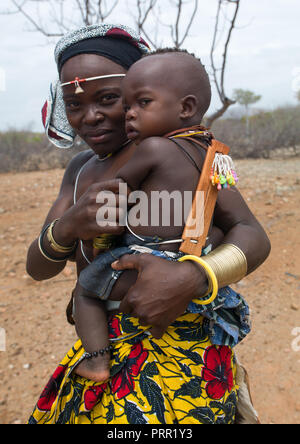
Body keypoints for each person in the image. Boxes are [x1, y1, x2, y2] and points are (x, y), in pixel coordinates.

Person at [27, 24, 270, 424]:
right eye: (74, 105)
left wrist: (192, 278)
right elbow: (38, 268)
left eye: (110, 99)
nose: (91, 117)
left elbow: (252, 234)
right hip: (103, 342)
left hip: (180, 338)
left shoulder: (187, 152)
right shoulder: (78, 171)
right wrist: (69, 226)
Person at [72, 48, 250, 385]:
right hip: (195, 260)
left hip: (142, 260)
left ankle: (96, 360)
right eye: (126, 107)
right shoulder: (213, 156)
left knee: (84, 290)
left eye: (142, 103)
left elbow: (117, 196)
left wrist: (97, 230)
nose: (130, 116)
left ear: (185, 107)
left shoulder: (152, 149)